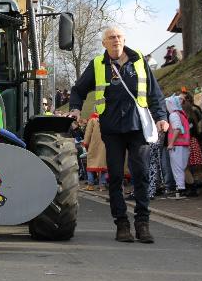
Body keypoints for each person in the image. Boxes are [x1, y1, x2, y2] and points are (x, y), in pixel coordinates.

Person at [68, 27, 168, 243]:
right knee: (114, 176)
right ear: (104, 43)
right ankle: (122, 224)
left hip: (137, 126)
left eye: (119, 37)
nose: (116, 40)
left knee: (140, 174)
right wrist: (75, 108)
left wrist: (161, 117)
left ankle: (142, 223)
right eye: (111, 38)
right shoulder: (97, 64)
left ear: (124, 40)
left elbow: (154, 93)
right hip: (112, 128)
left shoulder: (139, 60)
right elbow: (78, 89)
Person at [166, 94, 190, 197]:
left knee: (177, 168)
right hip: (184, 144)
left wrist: (171, 143)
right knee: (182, 167)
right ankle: (181, 189)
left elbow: (177, 129)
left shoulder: (173, 115)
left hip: (177, 145)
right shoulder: (182, 114)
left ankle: (180, 190)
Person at [83, 113, 107, 192]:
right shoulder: (107, 118)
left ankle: (90, 185)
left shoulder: (92, 120)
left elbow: (88, 133)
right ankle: (102, 185)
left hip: (94, 145)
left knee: (91, 164)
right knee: (103, 165)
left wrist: (85, 144)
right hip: (105, 145)